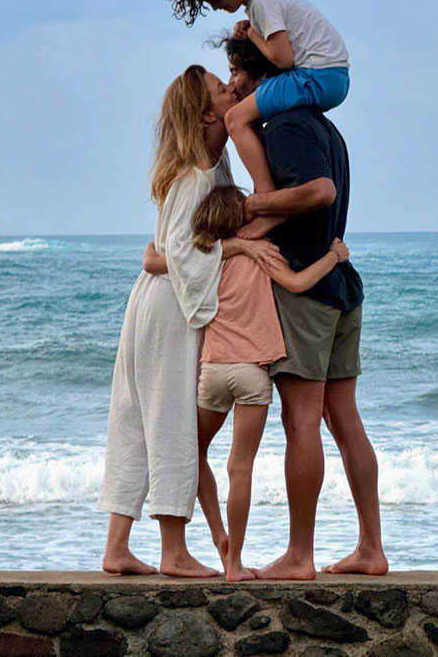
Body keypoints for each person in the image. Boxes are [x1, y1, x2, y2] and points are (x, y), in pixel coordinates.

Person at [97, 65, 284, 577]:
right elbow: (177, 251)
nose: (231, 90)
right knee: (172, 421)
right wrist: (239, 245)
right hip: (169, 309)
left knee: (137, 418)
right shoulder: (199, 174)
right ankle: (173, 550)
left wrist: (161, 256)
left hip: (154, 301)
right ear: (206, 113)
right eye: (223, 91)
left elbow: (164, 252)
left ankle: (117, 547)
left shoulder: (209, 169)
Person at [224, 37, 389, 579]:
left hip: (306, 291)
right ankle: (371, 548)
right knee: (344, 420)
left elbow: (318, 192)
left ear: (258, 76)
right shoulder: (325, 125)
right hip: (338, 283)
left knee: (302, 422)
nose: (233, 87)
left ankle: (300, 555)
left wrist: (250, 205)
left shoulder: (287, 124)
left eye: (235, 72)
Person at [194, 185, 350, 581]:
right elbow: (298, 284)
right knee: (239, 467)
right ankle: (234, 565)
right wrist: (334, 255)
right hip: (252, 374)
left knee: (191, 451)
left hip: (212, 370)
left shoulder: (205, 258)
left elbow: (159, 261)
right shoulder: (264, 253)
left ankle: (215, 536)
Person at [160, 0, 350, 194]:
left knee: (236, 119)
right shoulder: (264, 0)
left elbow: (283, 59)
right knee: (251, 117)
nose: (214, 7)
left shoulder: (262, 3)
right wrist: (251, 28)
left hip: (318, 76)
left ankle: (264, 193)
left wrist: (251, 32)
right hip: (332, 76)